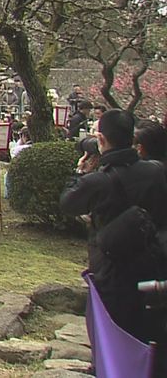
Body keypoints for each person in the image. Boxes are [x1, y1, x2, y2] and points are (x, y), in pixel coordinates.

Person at [61, 109, 167, 350]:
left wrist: (80, 172)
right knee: (147, 337)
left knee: (113, 342)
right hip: (151, 264)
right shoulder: (156, 171)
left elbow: (68, 203)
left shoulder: (98, 181)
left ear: (101, 140)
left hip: (112, 270)